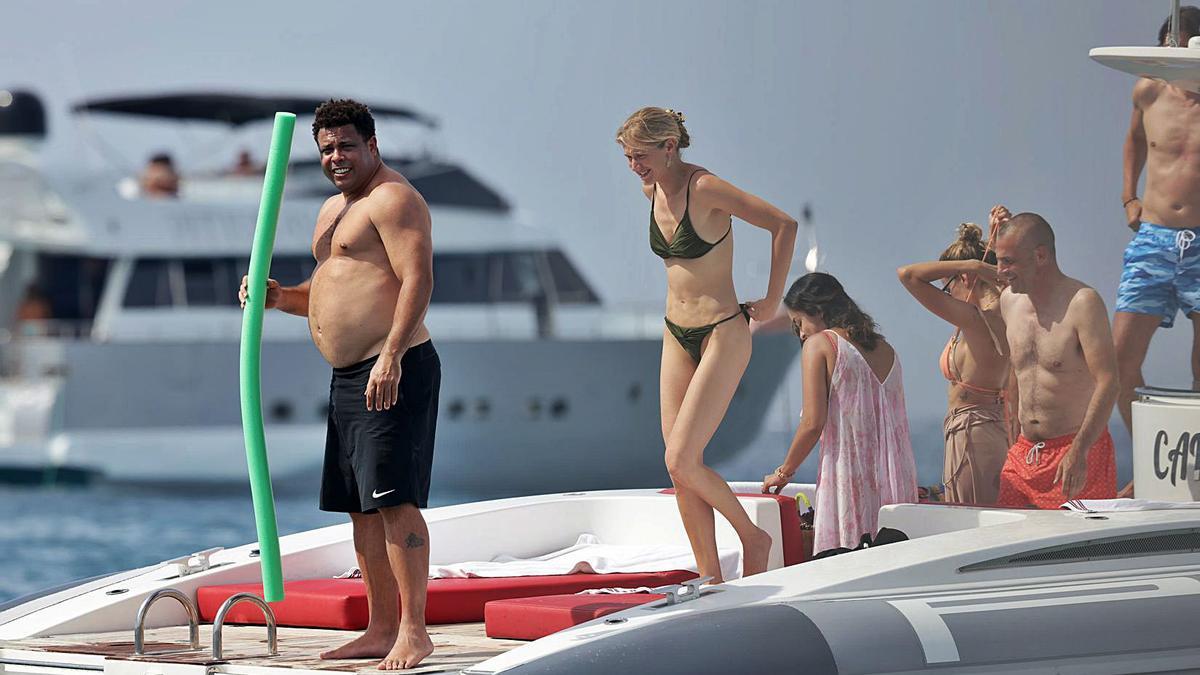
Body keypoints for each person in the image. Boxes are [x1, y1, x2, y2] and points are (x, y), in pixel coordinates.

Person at [239, 99, 437, 670]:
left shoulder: (394, 199)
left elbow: (417, 279)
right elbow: (331, 292)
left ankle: (414, 630)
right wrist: (279, 297)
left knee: (395, 502)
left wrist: (392, 356)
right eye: (326, 148)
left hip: (391, 367)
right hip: (348, 375)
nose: (336, 157)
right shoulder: (331, 209)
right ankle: (379, 627)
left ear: (372, 146)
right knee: (361, 508)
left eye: (346, 145)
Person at [616, 107, 797, 582]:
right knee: (677, 469)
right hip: (675, 333)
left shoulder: (707, 188)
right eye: (628, 156)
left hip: (722, 331)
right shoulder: (650, 188)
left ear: (669, 147)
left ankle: (753, 537)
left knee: (682, 458)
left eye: (641, 155)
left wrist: (774, 299)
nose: (634, 165)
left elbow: (783, 225)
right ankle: (710, 576)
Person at [761, 272, 917, 554]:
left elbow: (812, 422)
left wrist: (783, 472)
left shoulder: (820, 344)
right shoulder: (886, 349)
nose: (800, 333)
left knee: (844, 562)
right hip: (895, 480)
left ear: (818, 311)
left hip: (851, 479)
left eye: (799, 323)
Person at [992, 208, 1120, 507]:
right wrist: (1012, 435)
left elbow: (1109, 381)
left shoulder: (1082, 302)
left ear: (1040, 256)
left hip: (1075, 452)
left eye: (1008, 262)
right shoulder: (1009, 301)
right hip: (1023, 455)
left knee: (1079, 551)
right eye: (999, 261)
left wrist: (1080, 450)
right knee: (1008, 545)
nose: (1000, 271)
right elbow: (1016, 371)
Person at [1115, 6, 1200, 442]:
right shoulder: (1147, 90)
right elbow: (1134, 140)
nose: (1171, 53)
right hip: (1154, 236)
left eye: (1180, 45)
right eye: (1166, 45)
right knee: (1117, 358)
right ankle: (1150, 450)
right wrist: (1129, 196)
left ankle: (1198, 454)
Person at [897, 216, 1013, 505]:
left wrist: (972, 265)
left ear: (964, 278)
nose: (945, 294)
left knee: (974, 521)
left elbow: (908, 275)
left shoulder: (978, 319)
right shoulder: (993, 312)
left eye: (946, 287)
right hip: (980, 429)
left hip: (975, 433)